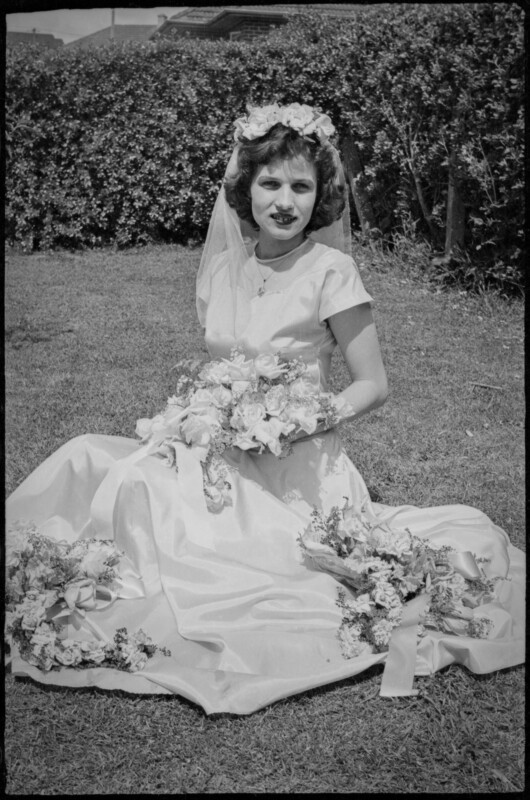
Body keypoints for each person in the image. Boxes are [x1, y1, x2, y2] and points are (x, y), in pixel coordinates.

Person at [6, 103, 524, 715]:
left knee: (141, 485)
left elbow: (373, 385)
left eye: (301, 187)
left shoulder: (332, 272)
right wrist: (196, 416)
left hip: (294, 468)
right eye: (270, 183)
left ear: (321, 195)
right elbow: (222, 367)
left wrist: (297, 422)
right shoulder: (224, 268)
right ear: (245, 188)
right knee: (86, 455)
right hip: (219, 448)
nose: (284, 201)